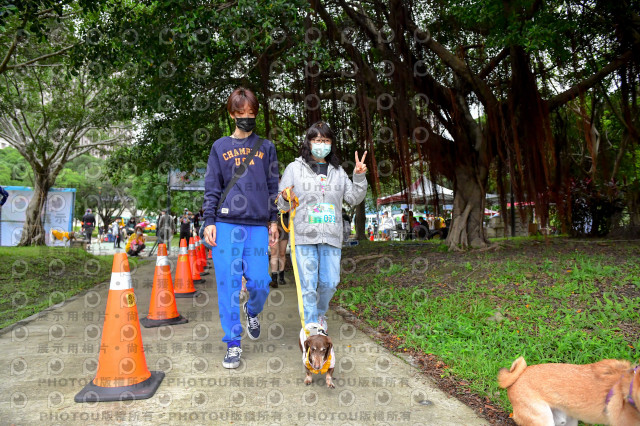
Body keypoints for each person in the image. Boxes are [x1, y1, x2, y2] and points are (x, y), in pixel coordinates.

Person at [202, 87, 279, 369]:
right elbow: (212, 188)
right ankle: (233, 343)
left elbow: (274, 187)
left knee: (261, 282)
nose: (247, 117)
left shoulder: (266, 147)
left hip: (257, 226)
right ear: (232, 114)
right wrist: (208, 222)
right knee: (228, 286)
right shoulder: (219, 147)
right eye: (241, 113)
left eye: (251, 113)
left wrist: (273, 220)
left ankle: (253, 309)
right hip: (225, 224)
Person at [277, 121, 368, 335]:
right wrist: (283, 197)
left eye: (326, 140)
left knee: (330, 282)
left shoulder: (337, 171)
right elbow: (281, 204)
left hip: (331, 236)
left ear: (331, 144)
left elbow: (354, 197)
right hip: (304, 236)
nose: (321, 144)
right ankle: (311, 328)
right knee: (308, 285)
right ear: (308, 143)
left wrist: (359, 175)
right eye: (317, 140)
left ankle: (319, 313)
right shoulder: (294, 168)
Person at [269, 209, 289, 288]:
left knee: (282, 253)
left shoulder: (287, 197)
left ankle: (281, 276)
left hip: (284, 224)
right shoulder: (270, 197)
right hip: (272, 226)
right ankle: (274, 278)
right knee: (274, 253)